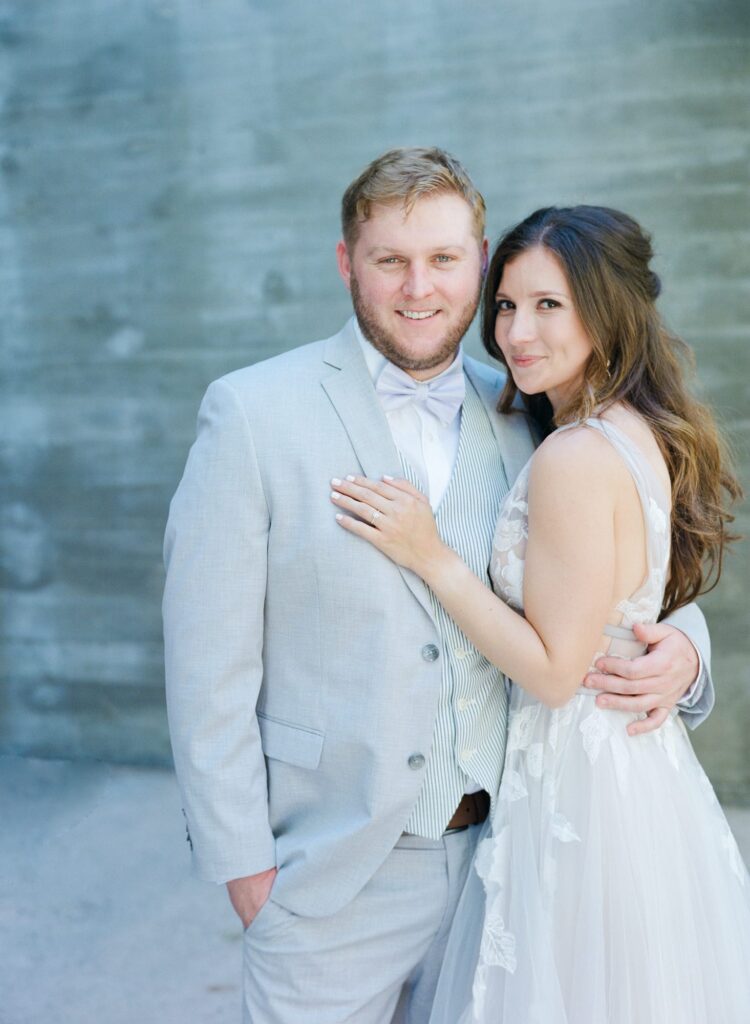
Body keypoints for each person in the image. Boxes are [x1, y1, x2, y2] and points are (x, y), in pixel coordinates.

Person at [163, 151, 714, 1024]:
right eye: (390, 261)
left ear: (478, 260)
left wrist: (686, 652)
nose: (419, 288)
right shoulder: (252, 414)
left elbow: (626, 570)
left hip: (513, 859)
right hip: (333, 877)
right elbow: (206, 664)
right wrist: (247, 872)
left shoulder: (532, 406)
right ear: (349, 263)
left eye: (446, 261)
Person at [329, 204, 749, 1023]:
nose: (518, 332)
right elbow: (630, 605)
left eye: (549, 305)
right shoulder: (629, 430)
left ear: (607, 308)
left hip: (581, 778)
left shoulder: (573, 455)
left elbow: (557, 670)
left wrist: (430, 554)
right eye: (509, 306)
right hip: (630, 768)